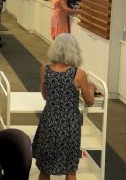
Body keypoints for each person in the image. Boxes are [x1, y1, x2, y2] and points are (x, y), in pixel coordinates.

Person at [32, 33, 96, 180]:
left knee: (45, 169)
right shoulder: (78, 74)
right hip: (69, 125)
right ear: (74, 51)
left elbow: (45, 96)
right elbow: (89, 101)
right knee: (70, 169)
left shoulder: (45, 69)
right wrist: (90, 88)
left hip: (49, 122)